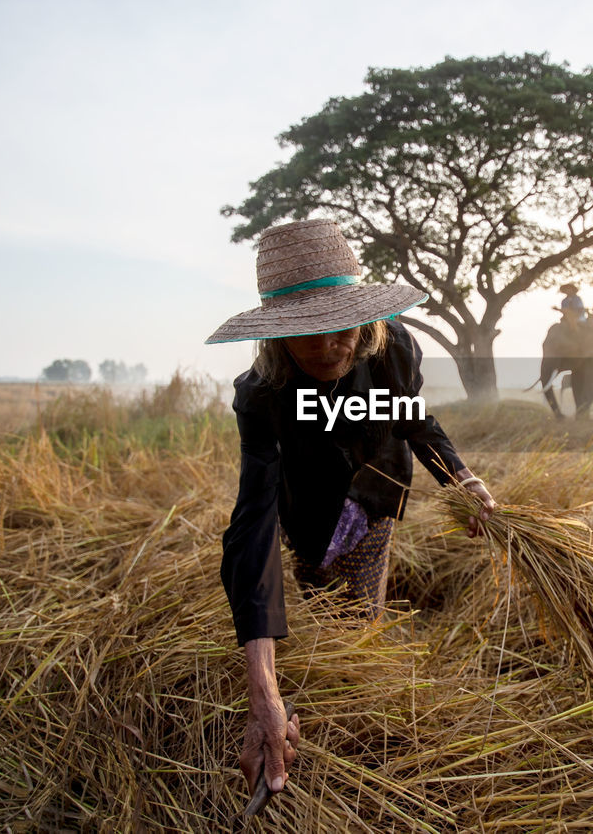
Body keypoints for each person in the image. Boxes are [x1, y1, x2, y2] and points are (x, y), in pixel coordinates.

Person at [204, 219, 497, 803]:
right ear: (277, 335)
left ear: (364, 323)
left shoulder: (392, 349)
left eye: (341, 331)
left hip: (373, 490)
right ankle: (292, 711)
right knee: (316, 603)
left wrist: (458, 476)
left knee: (356, 626)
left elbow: (410, 418)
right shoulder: (261, 395)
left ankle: (358, 742)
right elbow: (253, 520)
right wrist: (261, 691)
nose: (326, 347)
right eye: (306, 333)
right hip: (305, 504)